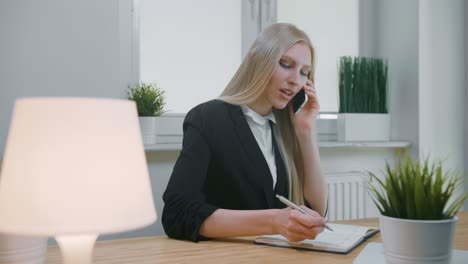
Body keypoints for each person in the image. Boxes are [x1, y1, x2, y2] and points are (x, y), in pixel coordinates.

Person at [162, 23, 327, 243]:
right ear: (255, 60)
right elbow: (176, 213)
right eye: (286, 64)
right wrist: (273, 221)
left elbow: (316, 210)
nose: (296, 80)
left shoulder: (286, 128)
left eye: (304, 72)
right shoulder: (207, 118)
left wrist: (306, 131)